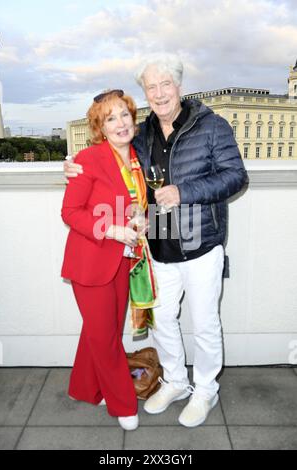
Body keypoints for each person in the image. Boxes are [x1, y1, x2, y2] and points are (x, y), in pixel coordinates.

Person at [64, 53, 248, 428]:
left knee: (206, 322)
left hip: (200, 243)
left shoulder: (212, 126)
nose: (160, 93)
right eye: (152, 86)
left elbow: (236, 177)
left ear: (179, 86)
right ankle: (176, 382)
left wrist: (186, 191)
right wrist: (71, 162)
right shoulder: (143, 132)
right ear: (145, 92)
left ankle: (205, 390)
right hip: (159, 245)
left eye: (166, 84)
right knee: (163, 320)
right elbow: (112, 163)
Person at [61, 89, 151, 431]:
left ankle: (82, 388)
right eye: (110, 118)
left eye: (124, 115)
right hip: (90, 263)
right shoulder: (89, 158)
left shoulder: (136, 159)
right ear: (101, 127)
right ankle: (122, 404)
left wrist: (140, 219)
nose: (120, 123)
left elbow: (135, 202)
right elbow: (70, 212)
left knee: (103, 331)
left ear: (133, 118)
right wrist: (112, 230)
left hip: (122, 262)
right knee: (107, 339)